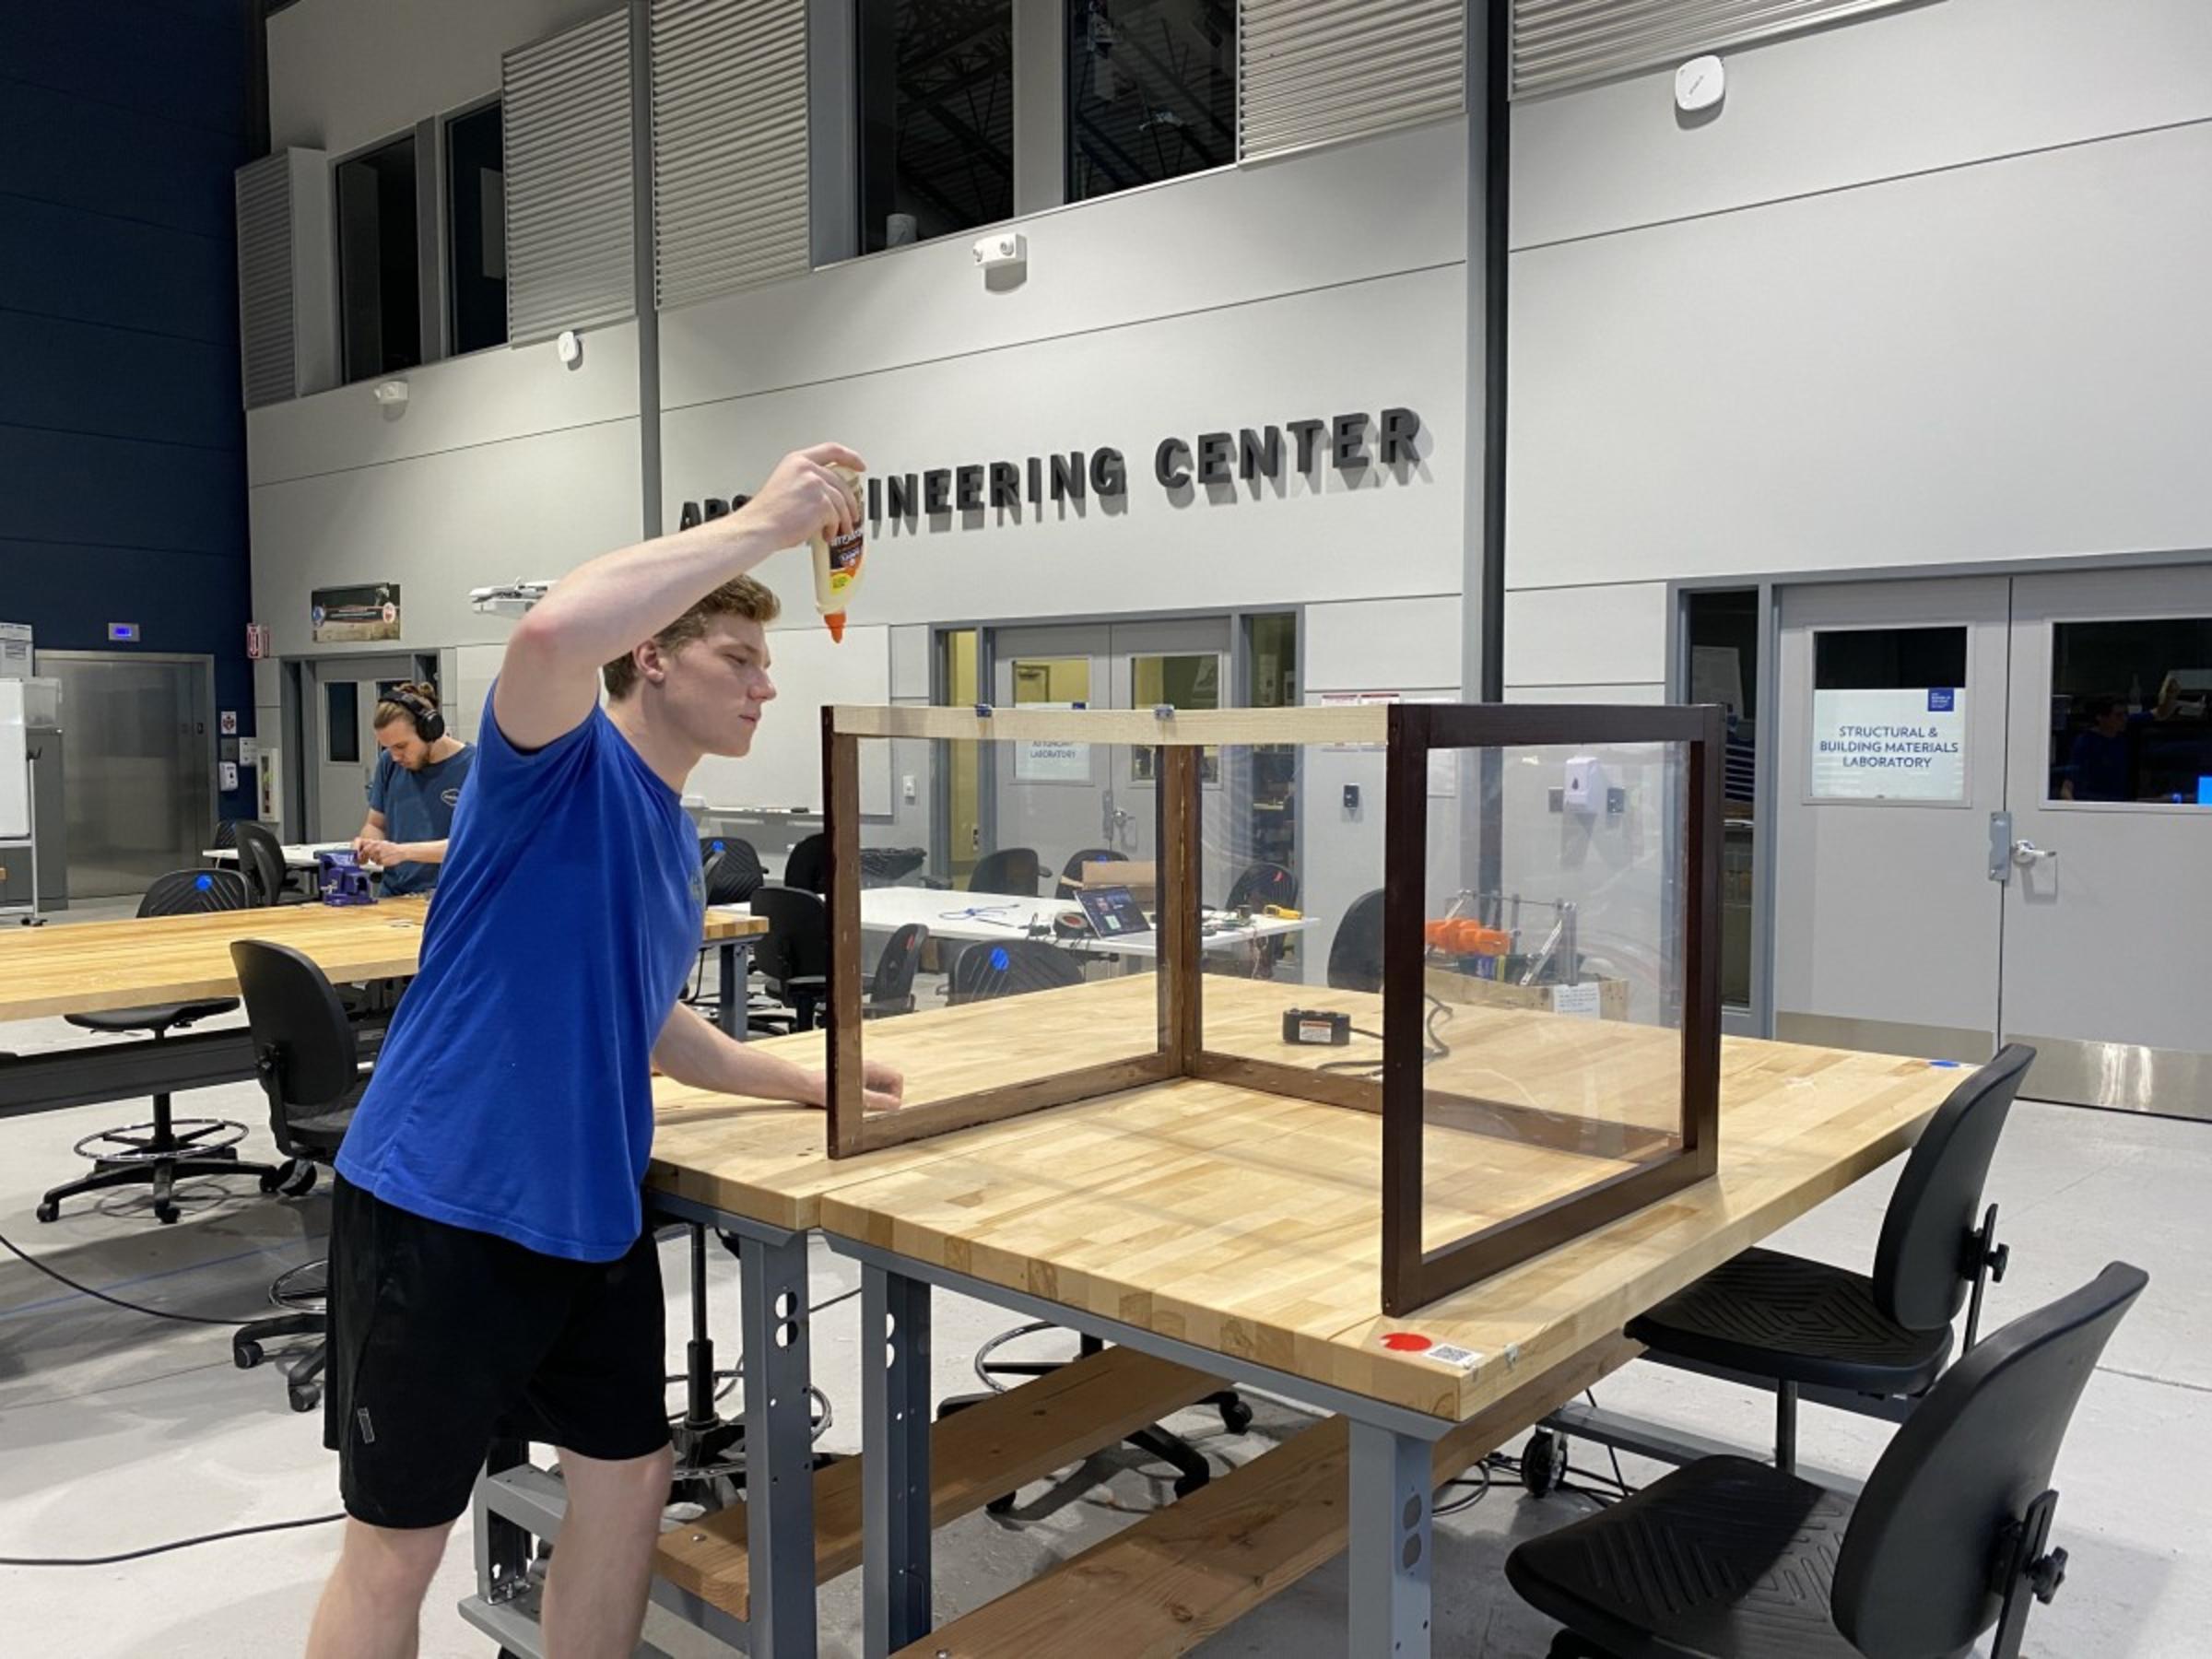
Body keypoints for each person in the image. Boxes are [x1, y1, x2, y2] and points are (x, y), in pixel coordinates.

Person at [305, 444, 904, 1659]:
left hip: (586, 1221)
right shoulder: (557, 767)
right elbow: (546, 635)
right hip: (443, 1206)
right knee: (397, 1549)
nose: (762, 688)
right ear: (651, 657)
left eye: (765, 666)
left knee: (629, 1482)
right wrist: (766, 516)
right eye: (737, 659)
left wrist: (803, 1074)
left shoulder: (671, 841)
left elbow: (652, 1024)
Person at [352, 682, 472, 895]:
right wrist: (370, 844)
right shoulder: (389, 763)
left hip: (449, 896)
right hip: (394, 895)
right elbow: (375, 824)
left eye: (401, 746)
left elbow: (472, 845)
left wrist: (403, 852)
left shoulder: (474, 768)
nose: (395, 756)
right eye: (388, 748)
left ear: (430, 731)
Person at [2061, 677, 2178, 801]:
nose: (2124, 719)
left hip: (2123, 803)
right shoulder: (2085, 742)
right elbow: (2068, 786)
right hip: (2095, 803)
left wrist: (2170, 695)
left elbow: (2161, 713)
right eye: (2118, 715)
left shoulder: (2127, 727)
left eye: (2125, 714)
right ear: (2100, 717)